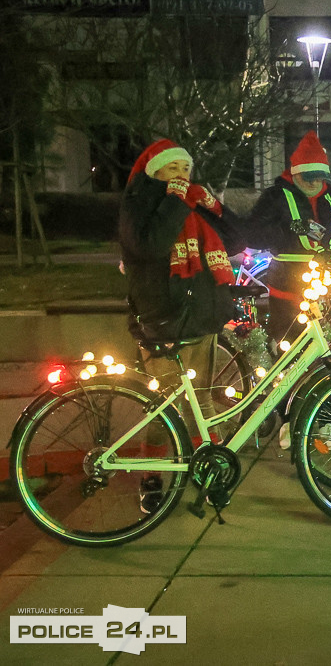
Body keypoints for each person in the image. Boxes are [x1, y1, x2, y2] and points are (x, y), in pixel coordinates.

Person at [119, 138, 243, 513]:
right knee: (163, 409)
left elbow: (237, 240)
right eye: (173, 168)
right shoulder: (141, 202)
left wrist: (213, 205)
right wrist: (175, 198)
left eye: (186, 169)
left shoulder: (193, 202)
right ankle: (152, 478)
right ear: (154, 171)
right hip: (163, 319)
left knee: (201, 403)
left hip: (202, 316)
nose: (182, 175)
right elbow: (151, 246)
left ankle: (208, 470)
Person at [247, 131, 331, 346]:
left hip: (330, 287)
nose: (314, 183)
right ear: (296, 174)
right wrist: (287, 230)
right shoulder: (276, 196)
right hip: (289, 286)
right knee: (289, 345)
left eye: (319, 178)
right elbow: (253, 235)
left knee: (330, 345)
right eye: (309, 178)